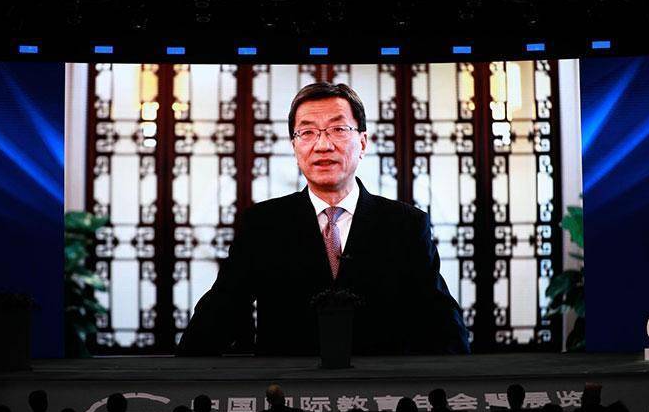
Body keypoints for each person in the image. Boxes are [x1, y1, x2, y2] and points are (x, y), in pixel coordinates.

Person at [177, 82, 470, 356]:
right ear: (294, 146)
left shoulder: (405, 225)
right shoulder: (263, 225)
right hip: (287, 387)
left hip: (378, 386)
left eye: (338, 129)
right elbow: (222, 310)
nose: (322, 145)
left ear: (363, 142)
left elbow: (441, 321)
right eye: (307, 132)